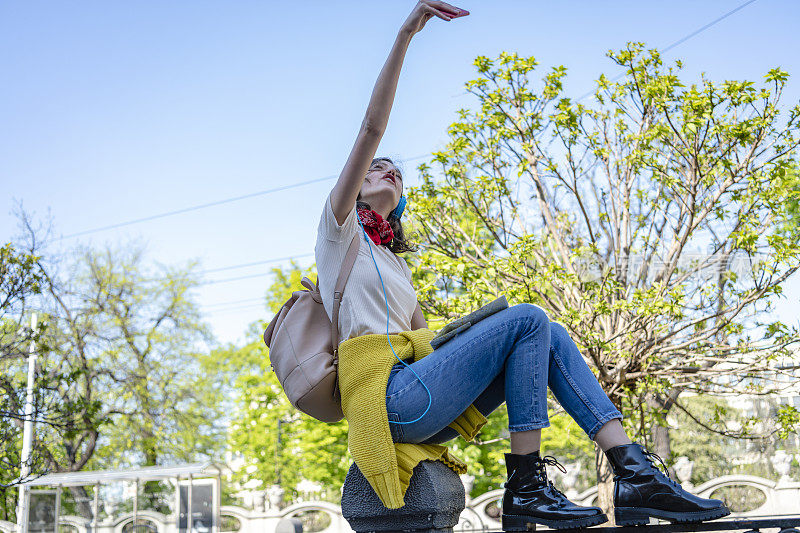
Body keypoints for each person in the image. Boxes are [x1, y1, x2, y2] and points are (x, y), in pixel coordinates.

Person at [314, 1, 731, 529]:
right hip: (386, 401)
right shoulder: (338, 231)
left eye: (396, 172)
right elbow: (372, 127)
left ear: (400, 203)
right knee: (529, 318)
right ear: (356, 182)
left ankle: (633, 473)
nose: (388, 170)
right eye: (377, 167)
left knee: (546, 332)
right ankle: (527, 482)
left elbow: (431, 344)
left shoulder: (396, 266)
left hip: (422, 396)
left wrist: (484, 333)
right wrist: (406, 35)